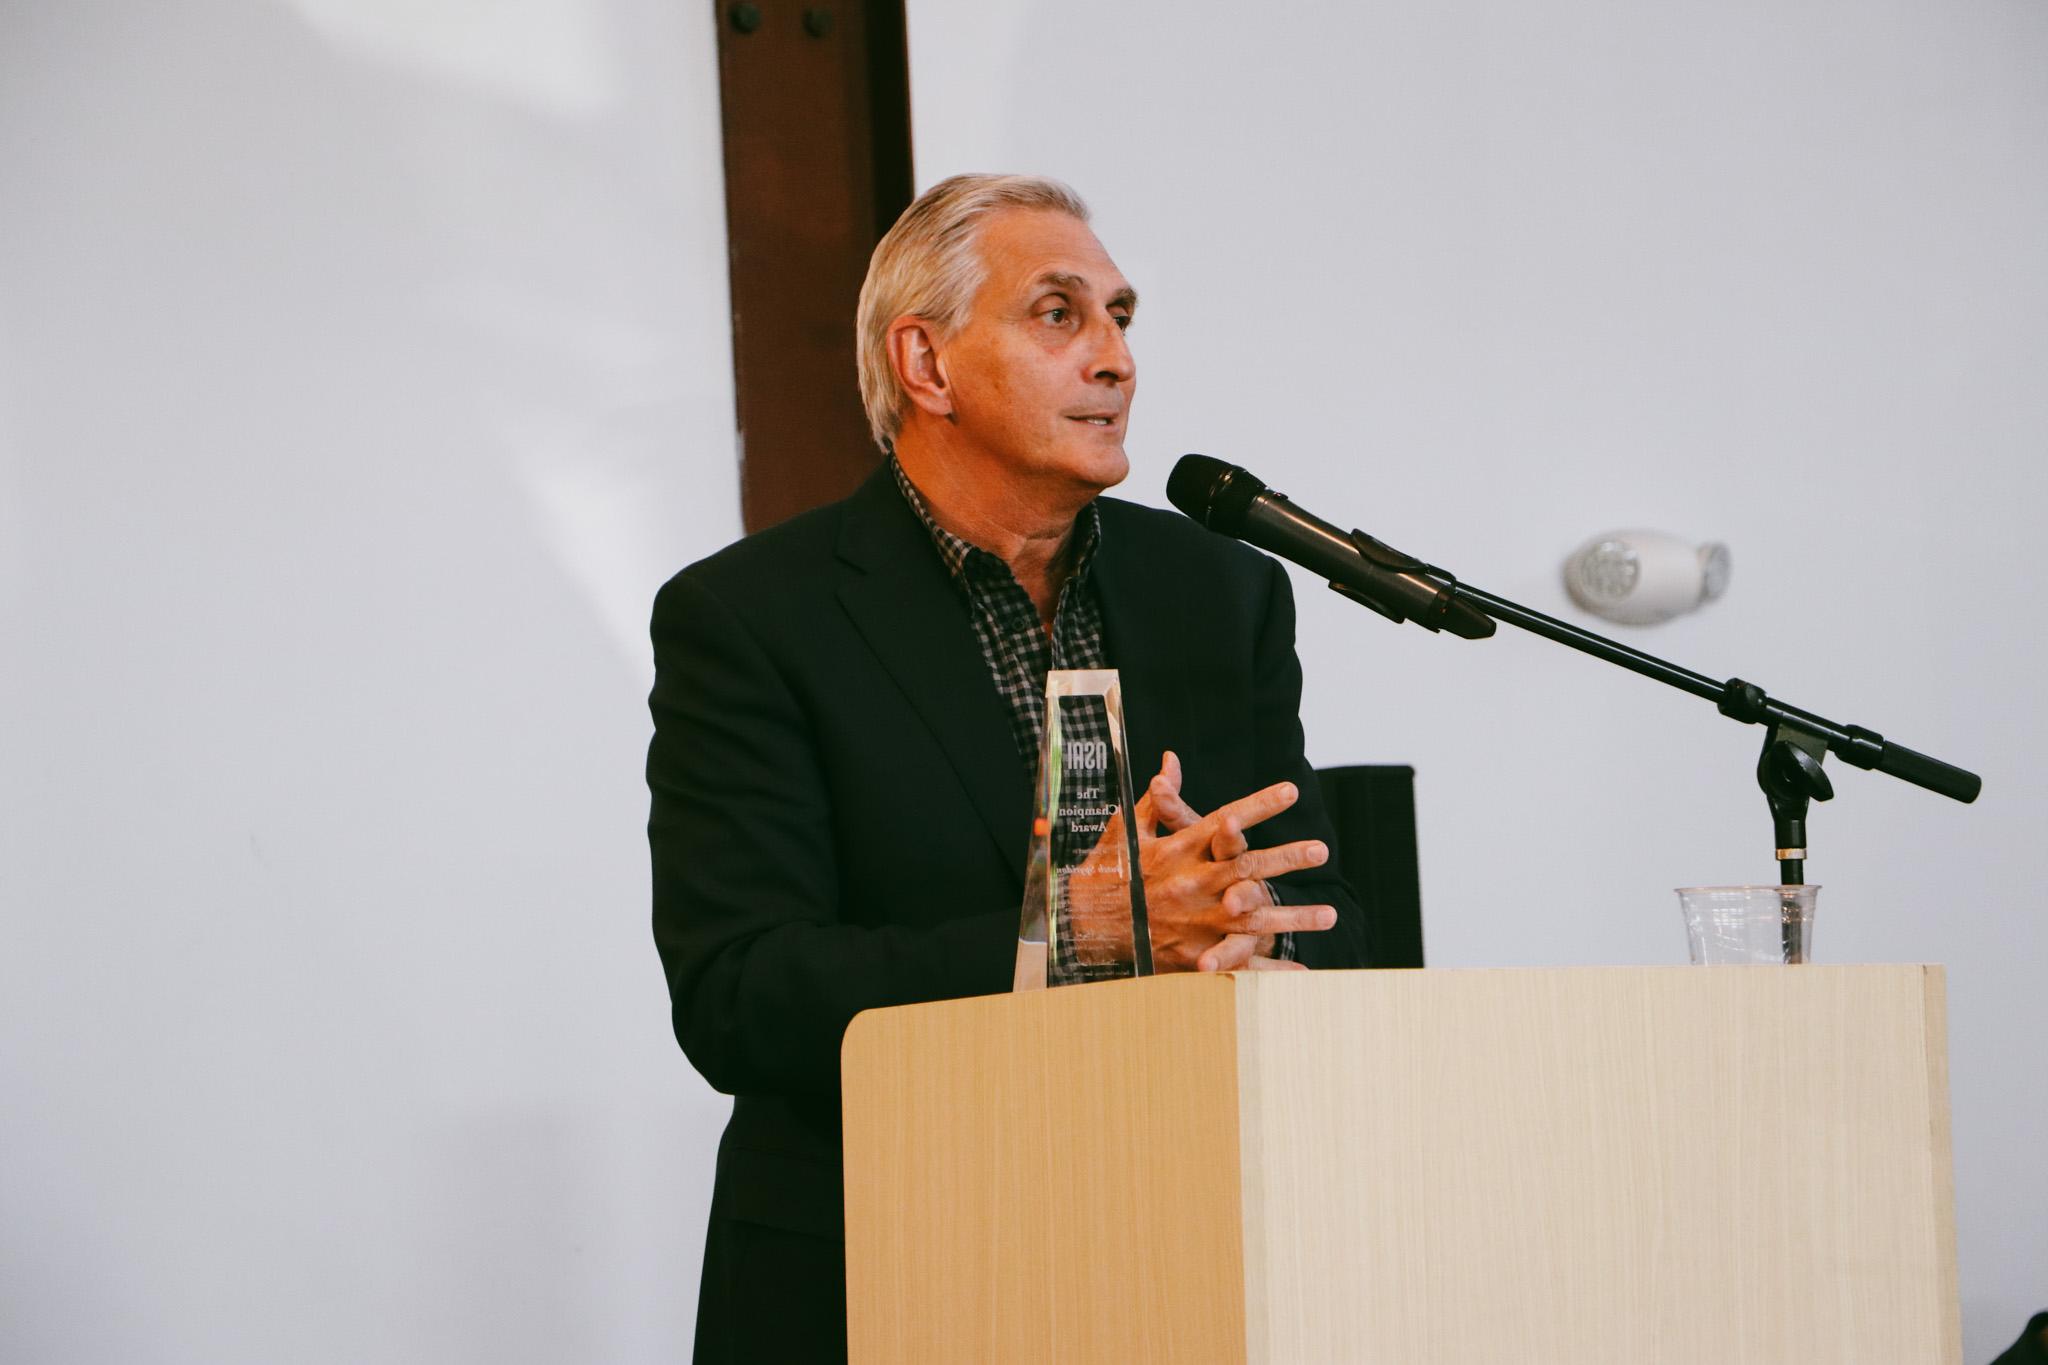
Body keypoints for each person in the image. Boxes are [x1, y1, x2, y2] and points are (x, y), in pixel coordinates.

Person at [648, 173, 1368, 1363]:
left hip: (1181, 1250)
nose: (1114, 359)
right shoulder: (754, 619)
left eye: (1120, 317)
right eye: (1057, 314)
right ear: (925, 365)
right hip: (881, 1259)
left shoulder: (1219, 592)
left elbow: (1318, 908)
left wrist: (1255, 935)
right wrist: (1075, 933)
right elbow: (741, 998)